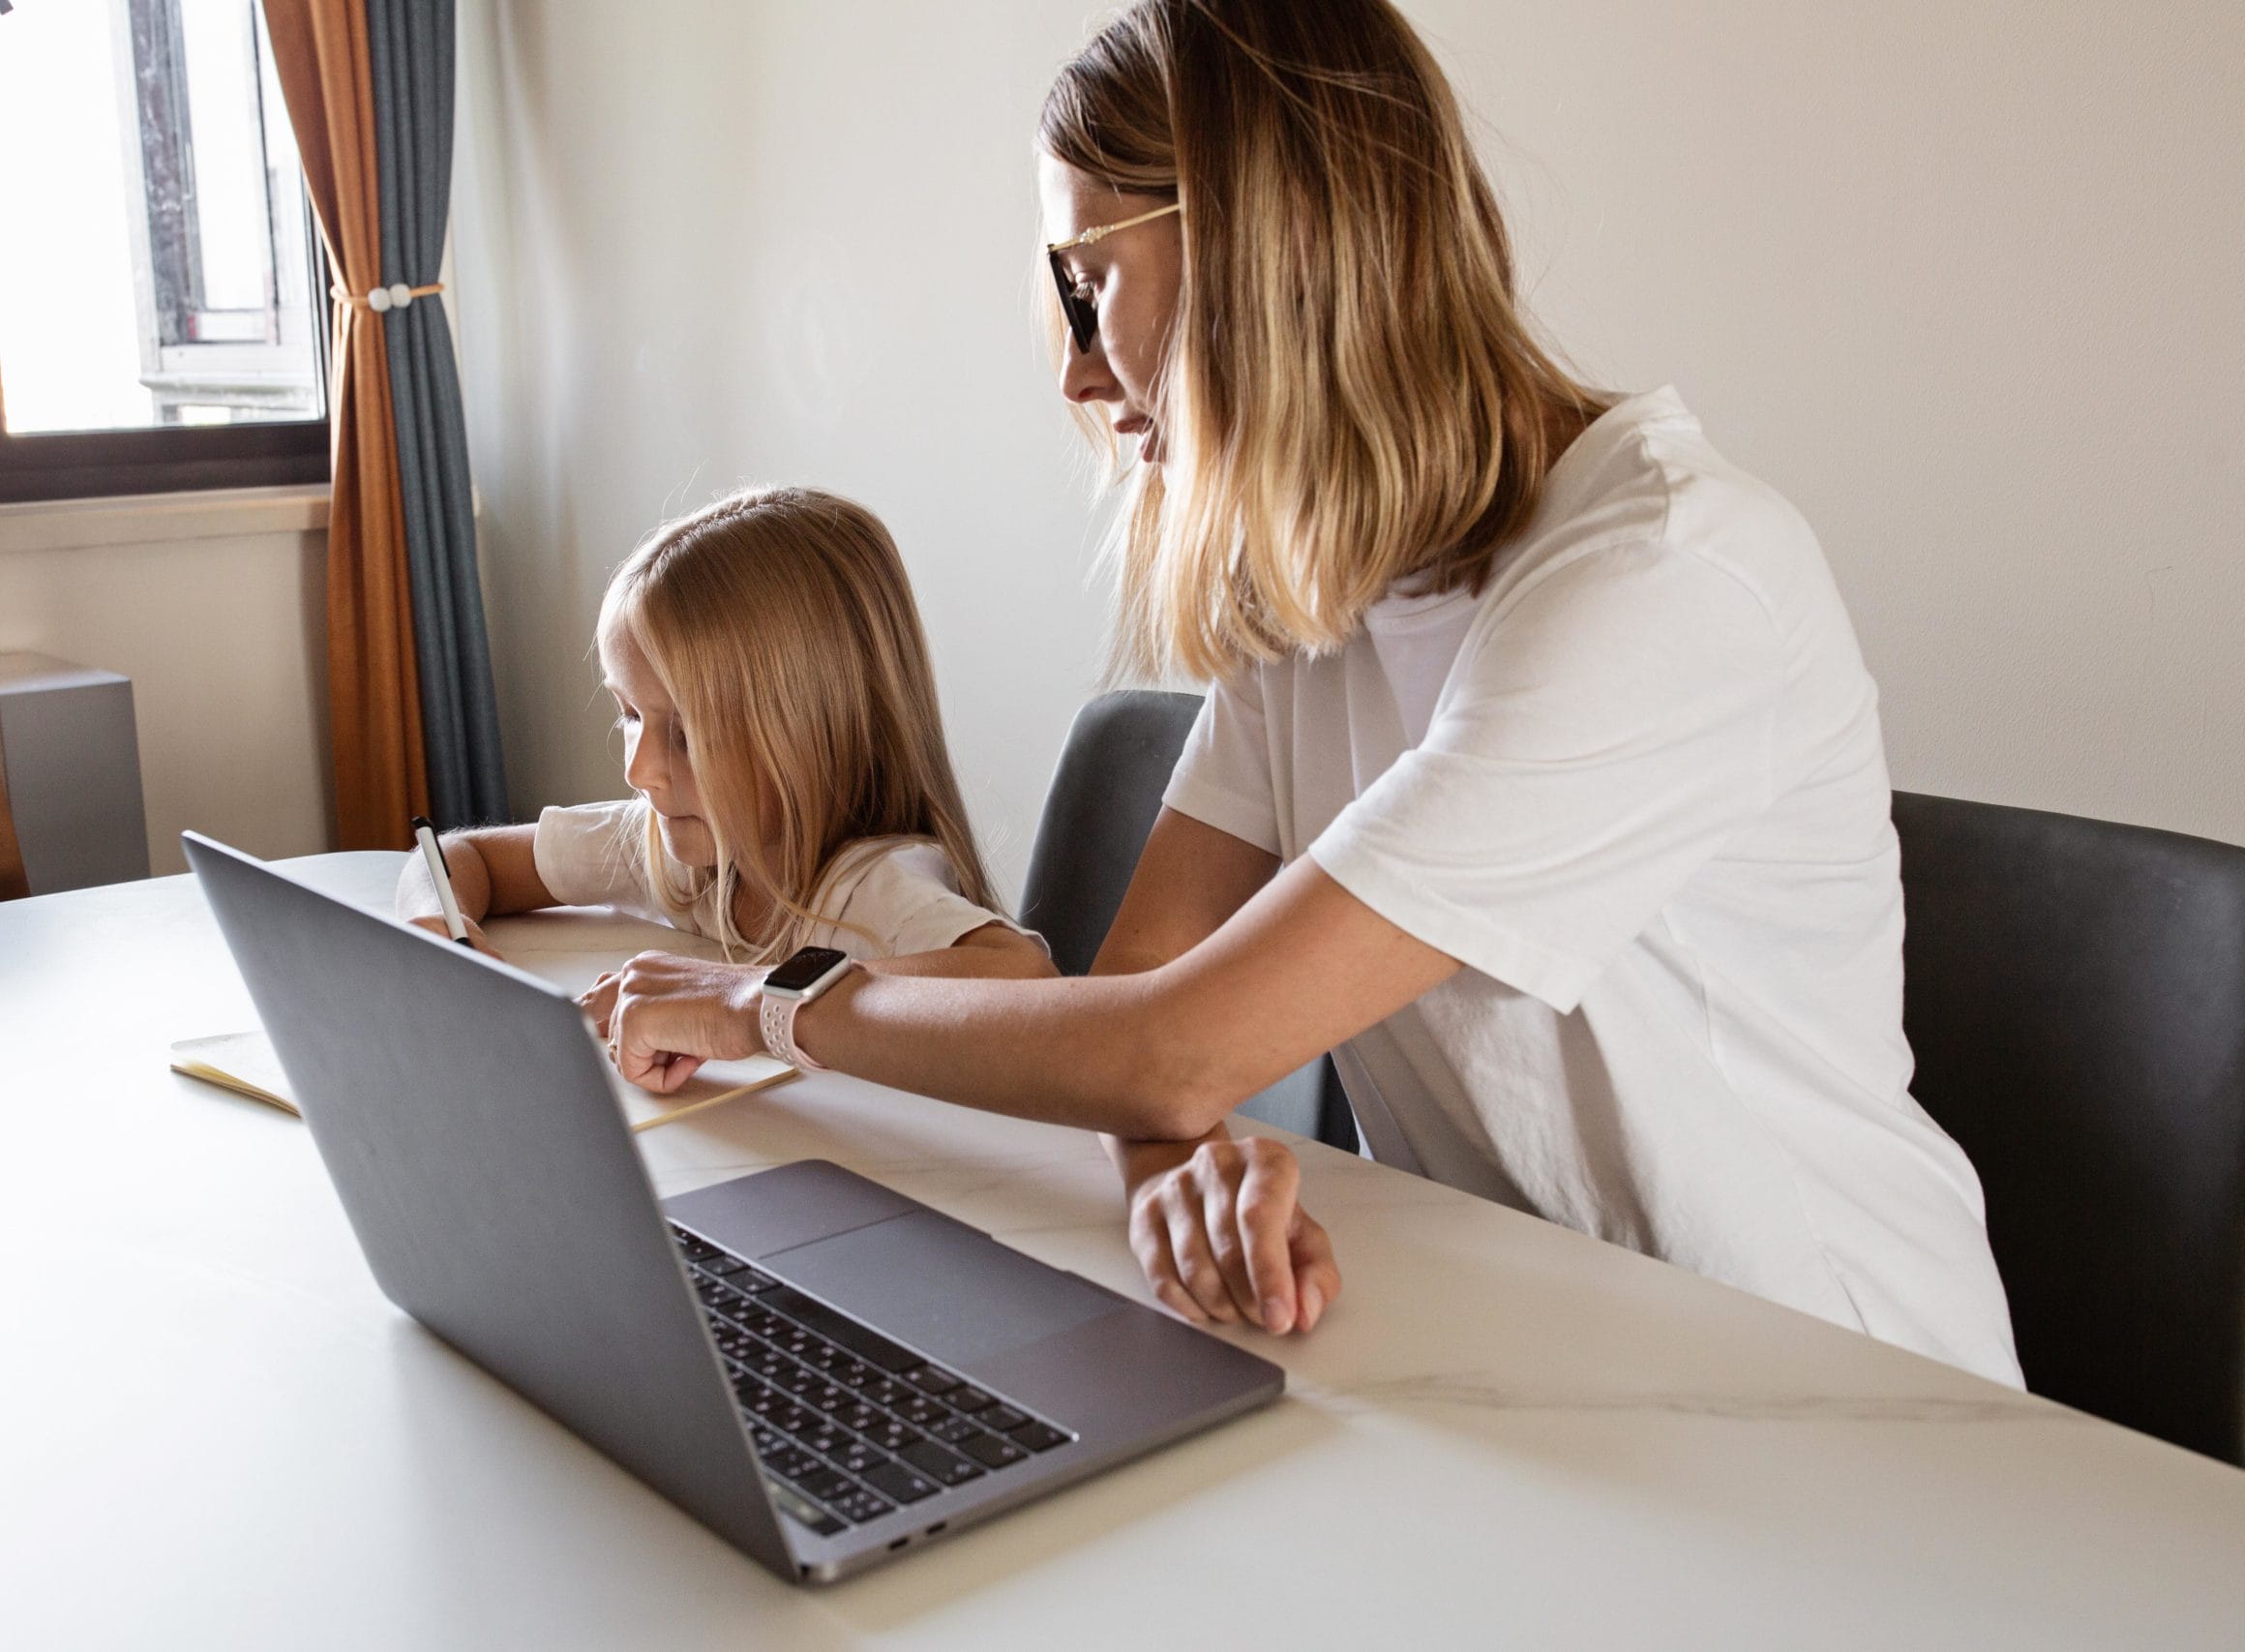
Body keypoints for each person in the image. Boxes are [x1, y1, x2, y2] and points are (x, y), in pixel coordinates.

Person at [598, 0, 2023, 1387]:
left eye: (1088, 286)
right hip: (1527, 1350)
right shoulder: (1326, 601)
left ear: (1265, 252)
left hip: (1845, 1393)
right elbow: (1141, 1015)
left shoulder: (1663, 575)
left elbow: (1173, 1042)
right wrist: (1176, 1165)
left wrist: (774, 1002)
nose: (1080, 370)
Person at [394, 487, 1054, 1044]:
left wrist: (748, 995)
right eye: (630, 715)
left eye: (685, 732)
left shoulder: (870, 892)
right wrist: (437, 928)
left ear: (813, 733)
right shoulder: (681, 854)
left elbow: (1027, 982)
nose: (641, 770)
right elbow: (459, 857)